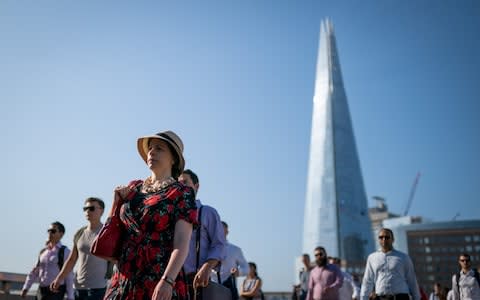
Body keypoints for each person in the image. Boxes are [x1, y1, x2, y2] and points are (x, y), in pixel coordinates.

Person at [103, 130, 197, 300]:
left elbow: (181, 244)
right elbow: (117, 229)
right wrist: (116, 201)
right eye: (150, 148)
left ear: (174, 158)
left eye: (159, 148)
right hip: (124, 276)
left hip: (158, 278)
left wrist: (168, 281)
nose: (152, 152)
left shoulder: (182, 192)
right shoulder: (133, 187)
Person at [178, 169, 226, 299]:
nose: (181, 187)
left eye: (185, 182)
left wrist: (207, 266)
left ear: (196, 186)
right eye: (178, 184)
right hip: (175, 285)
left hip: (200, 284)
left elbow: (219, 245)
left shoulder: (208, 213)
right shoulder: (171, 216)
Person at [50, 197, 110, 300]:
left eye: (91, 208)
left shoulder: (107, 232)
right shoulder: (79, 233)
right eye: (85, 209)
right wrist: (59, 278)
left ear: (102, 210)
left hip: (99, 288)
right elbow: (72, 259)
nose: (87, 211)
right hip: (79, 287)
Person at [360, 228, 421, 300]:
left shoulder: (403, 257)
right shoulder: (372, 258)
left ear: (393, 240)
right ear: (378, 240)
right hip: (380, 298)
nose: (384, 239)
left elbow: (412, 280)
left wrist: (417, 298)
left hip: (401, 298)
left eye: (387, 237)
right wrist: (363, 298)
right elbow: (367, 281)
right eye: (381, 237)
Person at [21, 221, 74, 300]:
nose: (50, 233)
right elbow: (35, 271)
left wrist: (70, 296)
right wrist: (26, 287)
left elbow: (69, 274)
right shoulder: (43, 252)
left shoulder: (65, 251)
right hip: (41, 291)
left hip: (56, 291)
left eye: (53, 231)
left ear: (61, 234)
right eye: (48, 231)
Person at [212, 221, 249, 300]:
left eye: (222, 229)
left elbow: (246, 268)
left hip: (229, 288)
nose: (219, 231)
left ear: (227, 231)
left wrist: (238, 272)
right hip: (211, 287)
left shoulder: (235, 250)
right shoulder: (207, 249)